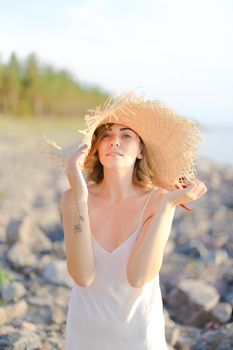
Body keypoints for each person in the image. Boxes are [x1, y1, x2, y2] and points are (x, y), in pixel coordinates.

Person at [40, 91, 207, 349]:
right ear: (95, 148)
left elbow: (139, 277)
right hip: (85, 336)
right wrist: (81, 199)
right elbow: (82, 276)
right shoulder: (73, 198)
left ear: (141, 151)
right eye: (106, 135)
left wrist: (167, 205)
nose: (114, 141)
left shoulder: (158, 200)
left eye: (126, 135)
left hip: (140, 338)